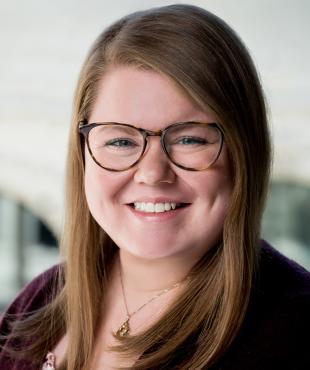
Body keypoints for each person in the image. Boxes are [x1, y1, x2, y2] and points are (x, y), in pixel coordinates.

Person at [0, 4, 309, 370]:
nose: (152, 173)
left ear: (246, 152)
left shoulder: (296, 329)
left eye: (190, 140)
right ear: (82, 153)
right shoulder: (41, 300)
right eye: (120, 142)